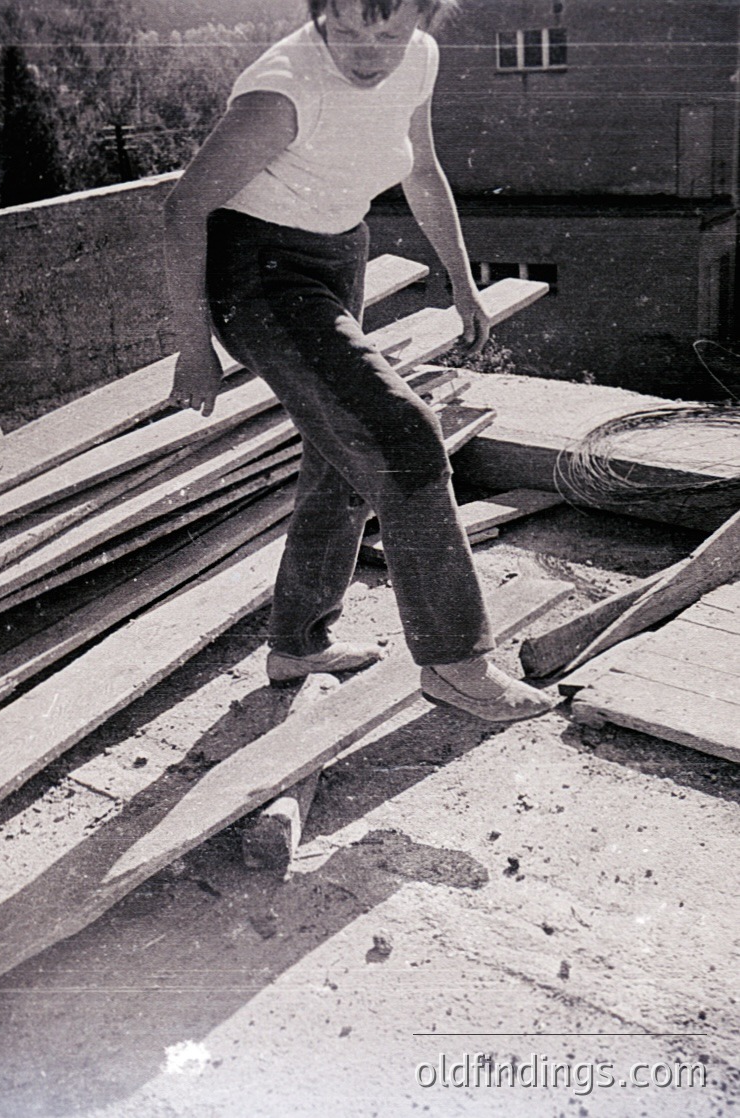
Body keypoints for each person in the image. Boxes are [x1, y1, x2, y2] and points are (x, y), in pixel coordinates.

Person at [162, 0, 555, 722]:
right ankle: (456, 662)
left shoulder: (422, 57)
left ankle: (298, 644)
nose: (369, 51)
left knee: (342, 448)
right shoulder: (283, 88)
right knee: (401, 433)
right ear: (318, 13)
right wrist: (196, 350)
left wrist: (464, 286)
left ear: (424, 18)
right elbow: (184, 209)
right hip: (263, 275)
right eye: (344, 28)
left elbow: (424, 168)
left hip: (340, 253)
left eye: (390, 30)